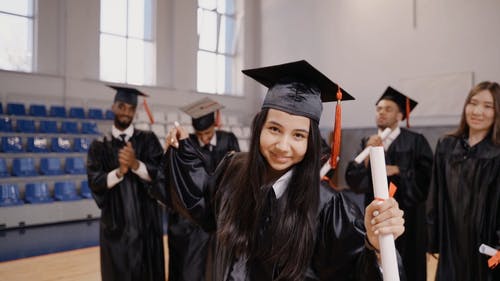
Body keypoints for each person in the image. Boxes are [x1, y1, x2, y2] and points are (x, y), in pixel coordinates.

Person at [164, 60, 406, 280]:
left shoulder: (327, 207)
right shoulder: (233, 169)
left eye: (298, 135)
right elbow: (205, 205)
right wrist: (182, 150)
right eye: (274, 129)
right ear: (260, 128)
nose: (283, 146)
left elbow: (350, 271)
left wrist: (376, 248)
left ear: (310, 142)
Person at [345, 86, 433, 281]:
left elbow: (427, 177)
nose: (381, 112)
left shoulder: (416, 141)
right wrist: (368, 154)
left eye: (388, 109)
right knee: (378, 262)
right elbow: (353, 180)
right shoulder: (367, 142)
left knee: (410, 264)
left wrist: (399, 171)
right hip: (377, 214)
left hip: (409, 217)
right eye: (379, 109)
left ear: (400, 115)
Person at [87, 85, 166, 281]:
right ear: (113, 107)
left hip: (146, 223)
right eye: (122, 107)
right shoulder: (100, 145)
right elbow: (95, 181)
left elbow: (161, 174)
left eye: (131, 108)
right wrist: (120, 172)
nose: (126, 112)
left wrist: (135, 164)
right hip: (116, 225)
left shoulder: (148, 140)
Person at [426, 81, 500, 281]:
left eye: (488, 106)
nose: (477, 111)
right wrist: (432, 241)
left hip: (486, 246)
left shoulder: (497, 153)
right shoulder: (446, 145)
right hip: (451, 241)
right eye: (473, 103)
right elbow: (436, 195)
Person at [168, 98, 240, 281]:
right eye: (199, 133)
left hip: (220, 219)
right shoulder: (188, 142)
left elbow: (235, 178)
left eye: (207, 132)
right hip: (194, 223)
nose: (203, 138)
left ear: (215, 125)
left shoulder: (228, 140)